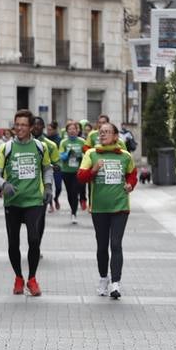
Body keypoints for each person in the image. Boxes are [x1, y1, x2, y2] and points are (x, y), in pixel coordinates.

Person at [0, 109, 54, 296]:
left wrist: (48, 187)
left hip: (34, 200)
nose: (19, 128)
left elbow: (47, 169)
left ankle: (32, 279)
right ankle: (18, 277)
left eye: (23, 125)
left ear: (31, 127)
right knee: (13, 243)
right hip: (13, 203)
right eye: (17, 124)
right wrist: (4, 184)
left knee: (34, 239)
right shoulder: (6, 148)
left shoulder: (40, 147)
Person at [78, 123, 137, 298]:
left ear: (116, 136)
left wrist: (130, 185)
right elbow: (81, 177)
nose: (102, 135)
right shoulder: (91, 154)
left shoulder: (125, 156)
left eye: (106, 132)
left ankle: (115, 283)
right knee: (102, 246)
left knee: (116, 244)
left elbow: (132, 174)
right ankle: (104, 278)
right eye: (101, 132)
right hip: (99, 208)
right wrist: (94, 170)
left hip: (120, 206)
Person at [59, 121, 88, 225]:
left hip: (77, 172)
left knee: (75, 192)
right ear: (67, 131)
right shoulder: (64, 142)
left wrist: (80, 156)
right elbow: (61, 156)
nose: (72, 131)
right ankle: (73, 209)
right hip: (66, 171)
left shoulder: (82, 141)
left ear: (77, 130)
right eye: (70, 129)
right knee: (69, 193)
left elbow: (87, 155)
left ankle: (74, 213)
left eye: (74, 129)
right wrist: (68, 154)